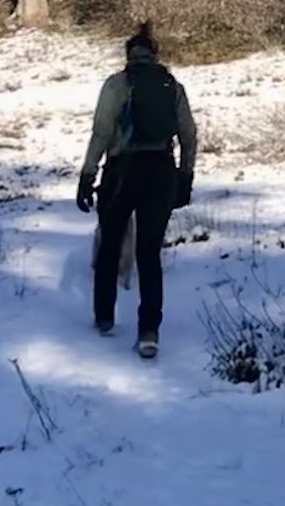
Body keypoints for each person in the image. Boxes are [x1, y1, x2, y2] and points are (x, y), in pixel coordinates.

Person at [76, 22, 197, 358]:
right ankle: (149, 331)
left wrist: (88, 175)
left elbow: (101, 132)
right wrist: (185, 177)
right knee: (148, 253)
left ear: (128, 56)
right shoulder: (172, 86)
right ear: (154, 56)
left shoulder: (117, 84)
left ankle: (104, 318)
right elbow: (189, 134)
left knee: (110, 245)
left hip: (121, 172)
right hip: (161, 171)